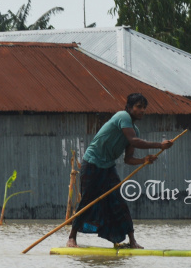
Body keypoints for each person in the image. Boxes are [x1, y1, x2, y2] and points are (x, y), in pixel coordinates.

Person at [66, 93, 173, 249]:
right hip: (92, 162)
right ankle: (71, 238)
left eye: (144, 108)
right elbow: (134, 141)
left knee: (119, 202)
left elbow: (128, 159)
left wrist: (143, 160)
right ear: (129, 107)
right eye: (138, 107)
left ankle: (132, 241)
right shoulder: (122, 116)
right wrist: (160, 145)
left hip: (108, 167)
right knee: (88, 200)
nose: (142, 110)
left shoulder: (134, 129)